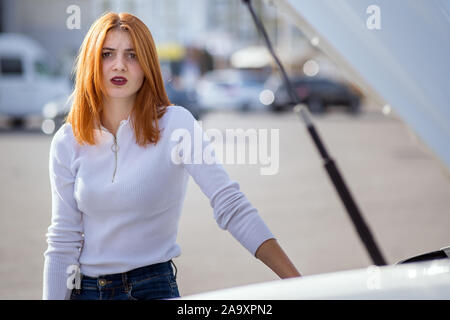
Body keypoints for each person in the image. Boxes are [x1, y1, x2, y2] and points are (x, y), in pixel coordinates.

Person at [42, 12, 300, 300]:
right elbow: (63, 240)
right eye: (107, 54)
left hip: (153, 287)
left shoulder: (176, 124)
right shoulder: (67, 140)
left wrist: (299, 284)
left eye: (132, 55)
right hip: (87, 290)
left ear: (147, 65)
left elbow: (230, 205)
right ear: (92, 61)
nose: (119, 65)